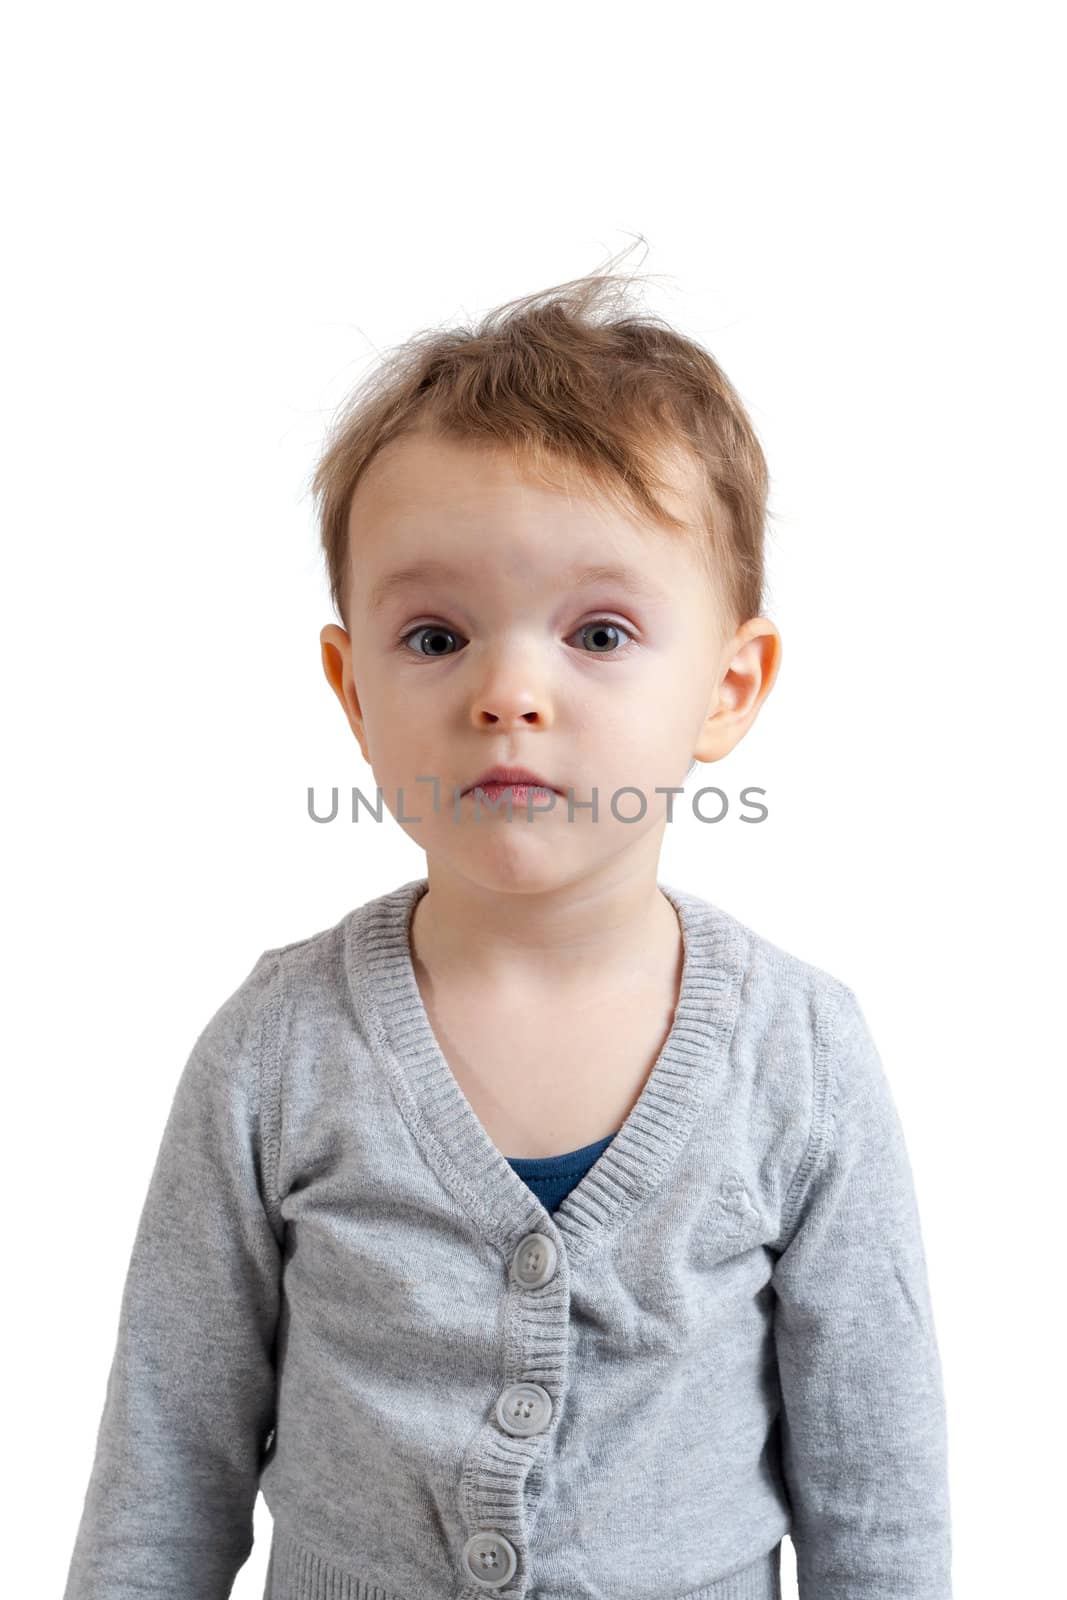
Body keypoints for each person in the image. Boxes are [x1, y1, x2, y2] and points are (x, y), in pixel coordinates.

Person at [63, 250, 953, 1600]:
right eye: (434, 637)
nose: (508, 691)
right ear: (350, 688)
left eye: (598, 632)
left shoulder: (802, 1051)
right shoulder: (273, 1051)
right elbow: (163, 1478)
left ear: (729, 688)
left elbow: (878, 1509)